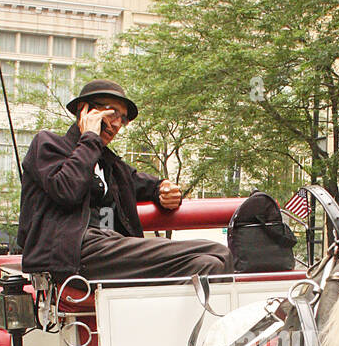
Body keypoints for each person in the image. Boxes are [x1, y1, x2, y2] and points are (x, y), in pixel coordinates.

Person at [16, 79, 232, 280]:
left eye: (123, 119)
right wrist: (90, 138)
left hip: (109, 249)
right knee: (218, 250)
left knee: (208, 264)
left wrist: (163, 189)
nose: (118, 124)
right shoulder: (48, 145)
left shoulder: (111, 165)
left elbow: (144, 183)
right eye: (112, 114)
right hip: (69, 253)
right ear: (85, 111)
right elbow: (66, 190)